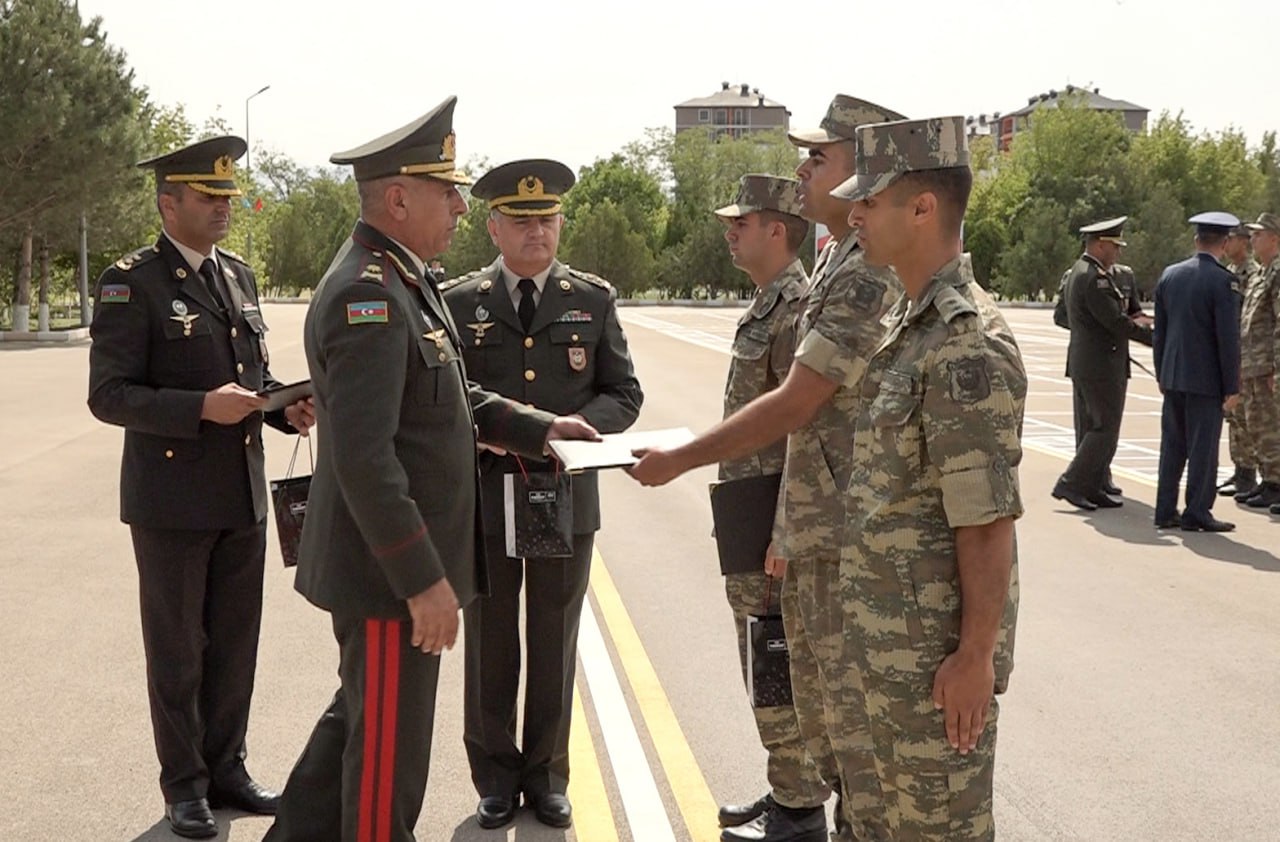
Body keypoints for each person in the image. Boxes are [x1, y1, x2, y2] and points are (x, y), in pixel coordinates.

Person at [263, 98, 598, 842]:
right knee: (388, 766)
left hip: (390, 571)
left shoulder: (404, 280)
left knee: (359, 725)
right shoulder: (369, 297)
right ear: (396, 198)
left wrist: (542, 427)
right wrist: (422, 581)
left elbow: (450, 397)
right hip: (389, 582)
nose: (458, 203)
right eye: (446, 190)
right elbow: (364, 457)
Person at [630, 94, 907, 842]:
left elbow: (800, 407)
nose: (802, 168)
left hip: (810, 518)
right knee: (794, 676)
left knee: (810, 686)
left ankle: (796, 809)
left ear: (871, 167)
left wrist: (685, 461)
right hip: (784, 508)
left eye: (819, 156)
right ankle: (793, 801)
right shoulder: (836, 265)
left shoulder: (860, 272)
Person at [87, 135, 314, 839]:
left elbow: (251, 381)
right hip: (172, 500)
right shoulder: (134, 283)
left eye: (228, 198)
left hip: (240, 493)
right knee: (179, 650)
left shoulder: (237, 277)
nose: (224, 208)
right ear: (169, 203)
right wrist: (196, 409)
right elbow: (109, 395)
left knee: (235, 644)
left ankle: (227, 770)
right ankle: (183, 786)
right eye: (209, 198)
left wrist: (284, 409)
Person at [835, 114, 1025, 841]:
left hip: (931, 665)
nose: (853, 215)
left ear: (922, 208)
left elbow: (984, 518)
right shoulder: (907, 324)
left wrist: (974, 656)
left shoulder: (965, 341)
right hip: (882, 651)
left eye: (869, 202)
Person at [439, 159, 643, 830]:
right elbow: (444, 396)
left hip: (563, 492)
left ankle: (548, 776)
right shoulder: (459, 302)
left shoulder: (593, 298)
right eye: (522, 222)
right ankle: (495, 776)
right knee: (492, 640)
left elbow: (624, 392)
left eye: (547, 221)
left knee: (556, 638)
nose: (537, 233)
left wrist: (577, 437)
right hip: (487, 493)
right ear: (493, 228)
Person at [706, 174, 830, 840]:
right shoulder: (769, 303)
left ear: (777, 229)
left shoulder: (798, 308)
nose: (730, 232)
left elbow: (803, 428)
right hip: (751, 506)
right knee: (765, 660)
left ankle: (799, 812)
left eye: (741, 222)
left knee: (777, 662)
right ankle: (789, 788)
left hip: (772, 518)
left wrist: (787, 527)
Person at [1051, 217, 1153, 511]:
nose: (1118, 252)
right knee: (1103, 429)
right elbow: (1116, 322)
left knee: (1093, 426)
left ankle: (1092, 486)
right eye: (1114, 246)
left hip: (1093, 362)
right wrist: (1156, 340)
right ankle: (1072, 483)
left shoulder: (1083, 272)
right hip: (1100, 365)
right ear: (1099, 245)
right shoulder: (1092, 278)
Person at [1152, 212, 1242, 532]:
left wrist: (1161, 372)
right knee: (1203, 449)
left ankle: (1164, 510)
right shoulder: (1223, 281)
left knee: (1172, 446)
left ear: (1196, 240)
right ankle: (1197, 511)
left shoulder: (1170, 275)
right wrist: (1232, 385)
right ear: (1226, 242)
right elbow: (1227, 339)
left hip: (1173, 375)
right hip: (1206, 379)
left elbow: (1159, 332)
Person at [1238, 213, 1280, 510]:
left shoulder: (1278, 272)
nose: (1252, 240)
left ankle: (1277, 482)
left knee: (1271, 426)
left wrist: (1277, 368)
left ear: (1275, 238)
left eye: (1258, 235)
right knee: (1257, 425)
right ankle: (1269, 480)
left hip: (1267, 366)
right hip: (1253, 364)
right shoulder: (1261, 274)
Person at [1219, 224, 1260, 499]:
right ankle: (1240, 469)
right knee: (1233, 417)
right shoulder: (1230, 272)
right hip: (1231, 352)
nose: (1225, 243)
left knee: (1246, 417)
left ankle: (1250, 475)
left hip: (1246, 354)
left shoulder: (1253, 274)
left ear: (1243, 242)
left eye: (1230, 238)